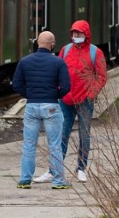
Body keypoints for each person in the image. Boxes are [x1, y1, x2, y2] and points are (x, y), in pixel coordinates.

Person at [34, 20, 107, 184]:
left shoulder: (96, 53)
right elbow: (57, 70)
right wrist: (58, 90)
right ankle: (54, 170)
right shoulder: (66, 50)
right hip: (66, 100)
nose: (75, 36)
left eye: (79, 33)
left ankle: (81, 168)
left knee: (84, 135)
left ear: (86, 34)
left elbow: (102, 77)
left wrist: (91, 93)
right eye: (73, 33)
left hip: (85, 101)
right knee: (61, 135)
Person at [12, 31, 72, 190]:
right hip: (51, 106)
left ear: (38, 43)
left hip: (32, 106)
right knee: (55, 145)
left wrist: (30, 95)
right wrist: (54, 95)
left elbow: (16, 85)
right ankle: (58, 181)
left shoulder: (25, 62)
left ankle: (25, 180)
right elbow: (66, 86)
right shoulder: (58, 62)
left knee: (29, 145)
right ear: (52, 44)